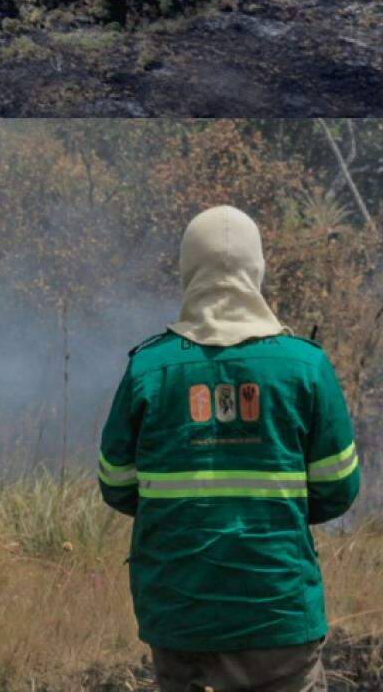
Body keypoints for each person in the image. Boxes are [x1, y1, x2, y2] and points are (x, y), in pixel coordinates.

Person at [99, 205, 360, 692]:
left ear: (187, 270)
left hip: (178, 614)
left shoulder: (148, 369)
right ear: (255, 270)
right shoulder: (304, 366)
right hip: (278, 613)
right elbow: (337, 490)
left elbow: (116, 485)